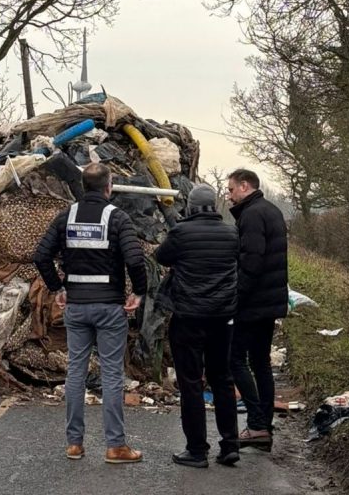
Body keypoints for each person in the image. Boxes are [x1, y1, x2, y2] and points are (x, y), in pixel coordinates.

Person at [34, 163, 147, 464]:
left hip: (76, 307)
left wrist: (58, 287)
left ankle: (74, 444)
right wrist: (138, 291)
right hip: (110, 307)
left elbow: (40, 255)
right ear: (109, 186)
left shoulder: (65, 217)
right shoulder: (118, 218)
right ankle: (115, 447)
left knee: (75, 372)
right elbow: (136, 259)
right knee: (111, 374)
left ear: (84, 186)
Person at [155, 184, 240, 468]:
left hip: (188, 318)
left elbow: (161, 257)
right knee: (222, 380)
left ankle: (197, 450)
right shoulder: (231, 233)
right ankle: (230, 445)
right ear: (214, 207)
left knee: (191, 383)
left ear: (191, 207)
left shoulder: (181, 233)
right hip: (222, 319)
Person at [225, 169, 288, 451]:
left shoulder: (251, 215)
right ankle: (264, 423)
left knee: (235, 360)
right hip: (270, 301)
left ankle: (256, 424)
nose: (229, 195)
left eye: (231, 190)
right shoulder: (271, 210)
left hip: (253, 302)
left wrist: (235, 297)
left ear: (245, 186)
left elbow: (251, 261)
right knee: (260, 362)